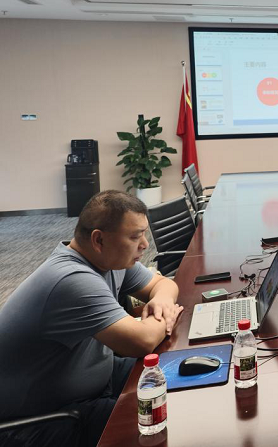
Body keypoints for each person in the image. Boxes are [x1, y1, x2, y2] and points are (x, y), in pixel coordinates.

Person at [0, 190, 184, 446]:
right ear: (99, 239)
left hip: (92, 377)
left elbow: (163, 284)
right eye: (135, 236)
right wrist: (166, 315)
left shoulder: (109, 260)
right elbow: (141, 342)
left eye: (144, 233)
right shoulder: (72, 280)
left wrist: (162, 302)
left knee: (179, 375)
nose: (144, 244)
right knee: (164, 421)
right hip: (43, 419)